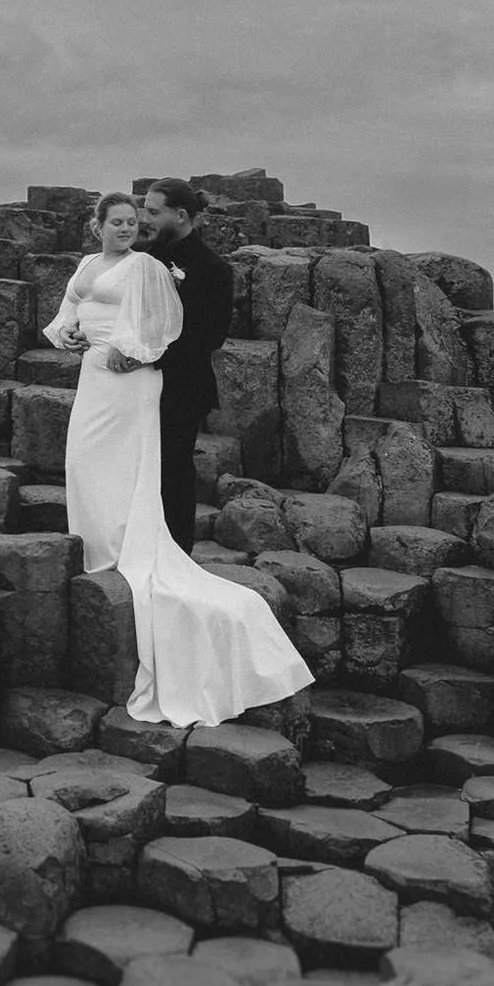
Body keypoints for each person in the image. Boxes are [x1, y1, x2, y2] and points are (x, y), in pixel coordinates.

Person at [43, 193, 313, 728]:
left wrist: (134, 353)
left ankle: (148, 548)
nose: (135, 224)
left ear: (182, 216)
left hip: (142, 378)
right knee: (87, 461)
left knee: (154, 467)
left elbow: (173, 326)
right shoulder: (99, 262)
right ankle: (95, 540)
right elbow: (71, 311)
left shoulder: (165, 266)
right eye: (122, 219)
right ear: (97, 225)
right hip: (95, 373)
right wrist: (67, 333)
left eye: (142, 216)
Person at [134, 177, 232, 548]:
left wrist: (153, 355)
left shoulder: (213, 268)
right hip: (136, 380)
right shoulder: (142, 259)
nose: (145, 219)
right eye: (145, 210)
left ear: (181, 215)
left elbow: (212, 336)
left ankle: (176, 551)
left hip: (181, 385)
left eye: (153, 212)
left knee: (173, 467)